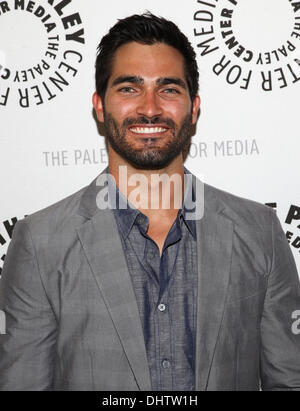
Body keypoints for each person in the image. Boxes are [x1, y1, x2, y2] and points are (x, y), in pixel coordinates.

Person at [0, 12, 299, 392]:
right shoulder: (41, 243)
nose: (150, 108)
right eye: (129, 88)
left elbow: (289, 381)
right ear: (98, 105)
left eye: (169, 89)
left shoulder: (260, 232)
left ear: (193, 107)